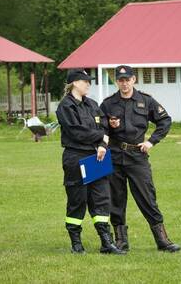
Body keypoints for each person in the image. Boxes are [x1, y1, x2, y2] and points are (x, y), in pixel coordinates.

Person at [100, 65, 180, 253]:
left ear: (133, 80)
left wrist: (151, 141)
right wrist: (108, 130)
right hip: (114, 157)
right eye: (121, 80)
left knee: (147, 198)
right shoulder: (108, 104)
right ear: (117, 81)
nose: (124, 83)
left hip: (137, 156)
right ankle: (121, 242)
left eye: (127, 79)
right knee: (116, 200)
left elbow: (165, 121)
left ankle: (162, 240)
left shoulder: (146, 100)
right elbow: (101, 128)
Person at [56, 69, 125, 255]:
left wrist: (103, 144)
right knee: (77, 200)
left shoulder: (93, 104)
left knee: (101, 199)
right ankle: (76, 244)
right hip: (76, 157)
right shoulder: (65, 106)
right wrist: (101, 137)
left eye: (89, 81)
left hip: (97, 156)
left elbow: (104, 127)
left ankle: (106, 243)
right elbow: (76, 132)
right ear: (74, 83)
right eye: (85, 81)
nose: (88, 84)